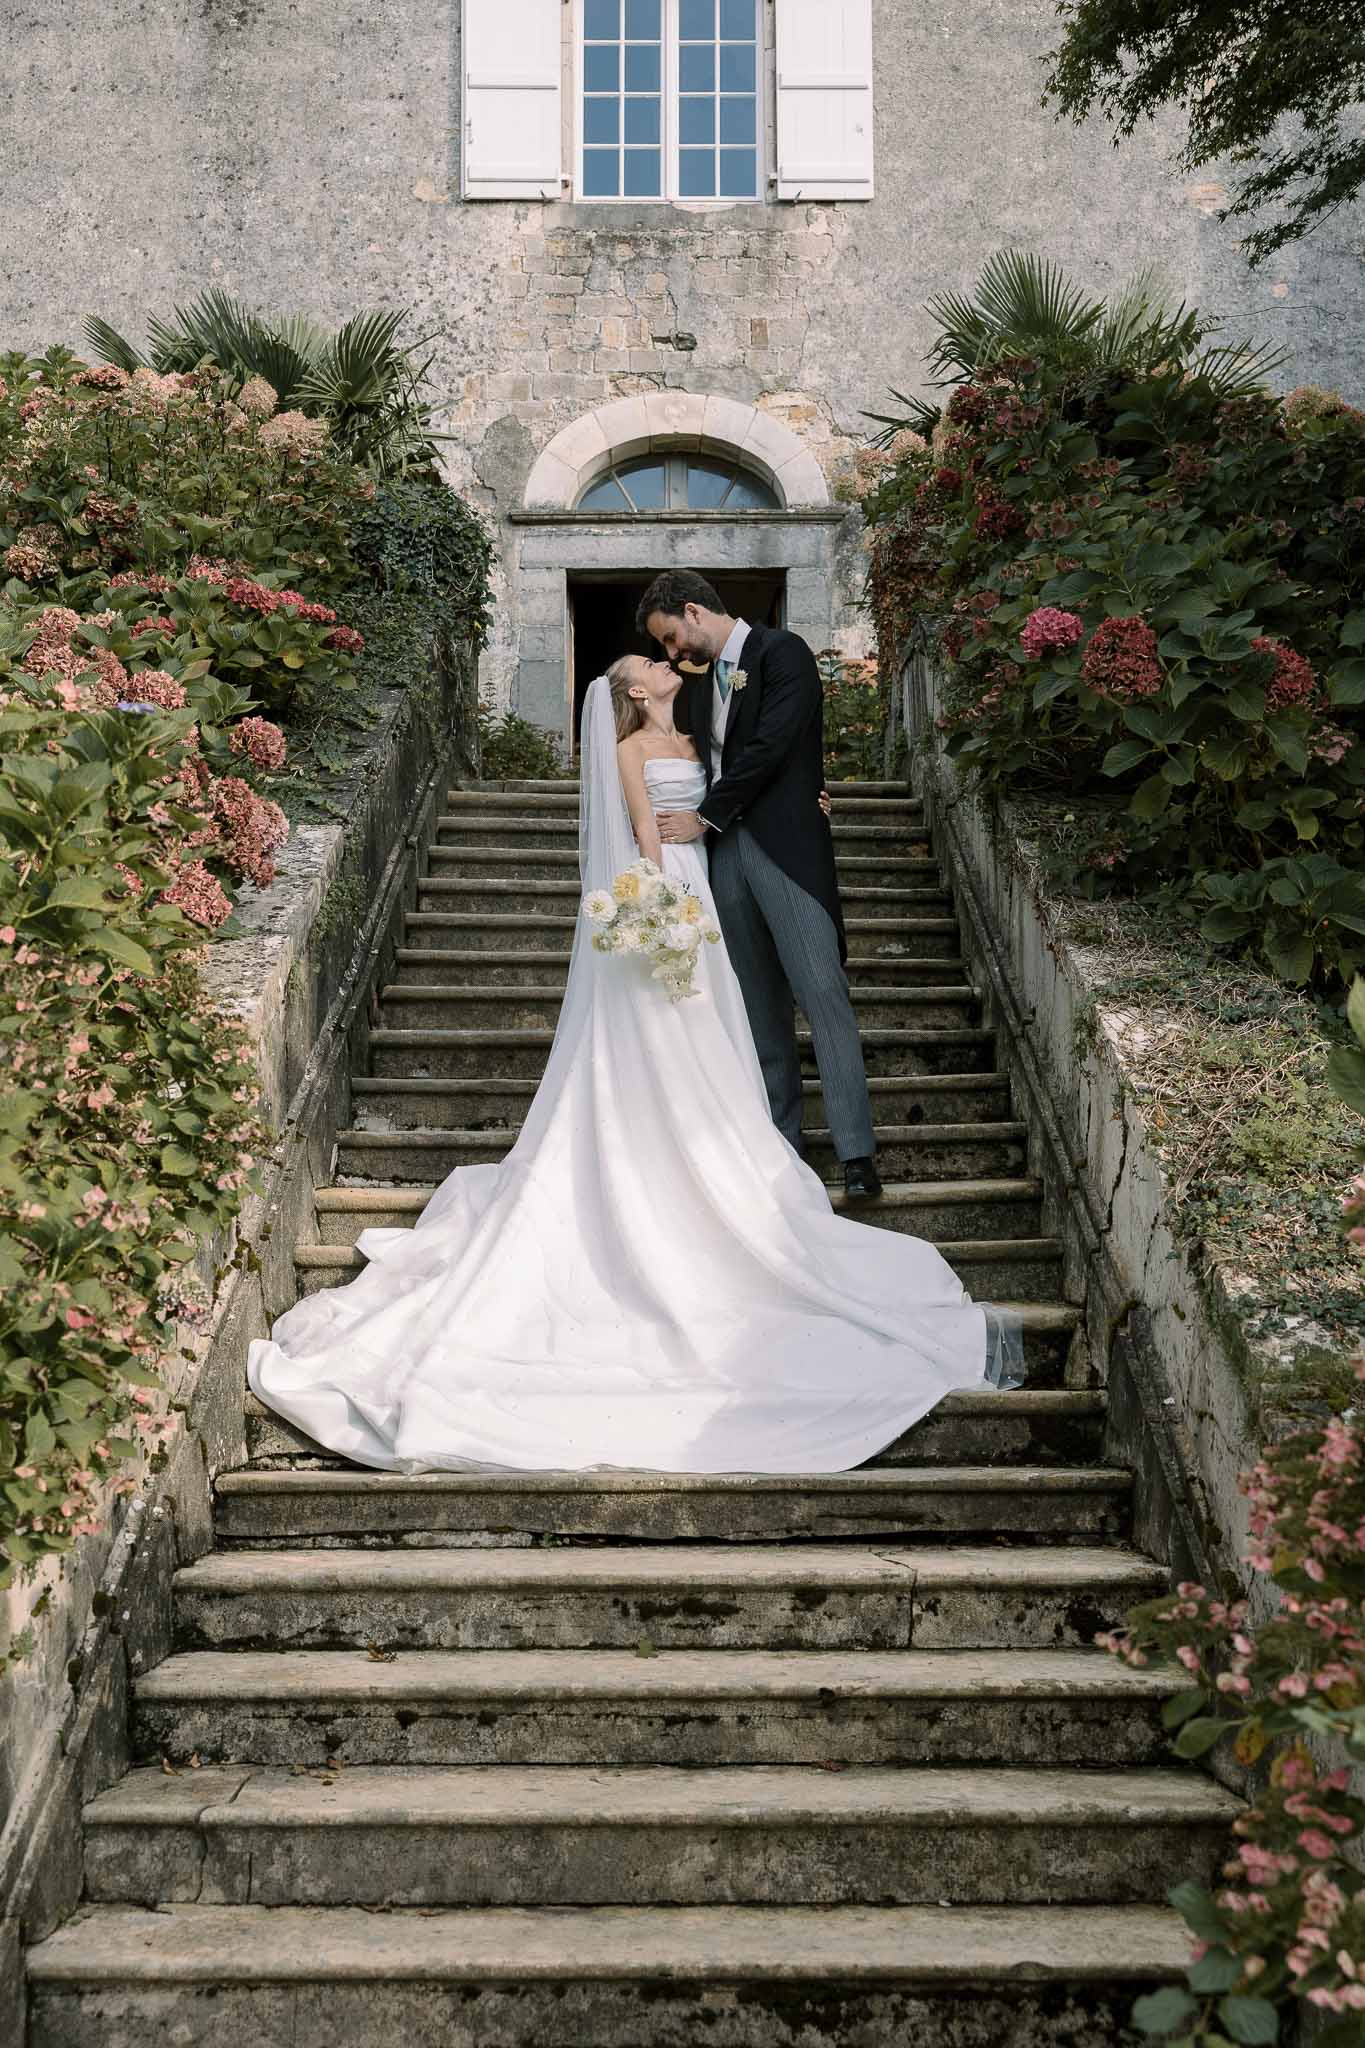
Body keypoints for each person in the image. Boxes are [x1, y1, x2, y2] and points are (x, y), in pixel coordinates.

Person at [244, 659, 1024, 1477]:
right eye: (645, 664)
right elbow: (643, 830)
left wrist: (802, 803)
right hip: (668, 898)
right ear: (635, 692)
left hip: (709, 891)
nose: (659, 663)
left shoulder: (698, 737)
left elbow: (746, 789)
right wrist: (660, 909)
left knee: (716, 1039)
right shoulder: (628, 748)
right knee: (661, 1037)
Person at [640, 570, 882, 1200]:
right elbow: (683, 753)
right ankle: (782, 1149)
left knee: (822, 994)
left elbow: (774, 745)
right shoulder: (694, 690)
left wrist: (709, 814)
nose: (673, 654)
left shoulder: (784, 653)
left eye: (671, 638)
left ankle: (856, 1154)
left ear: (694, 611)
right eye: (664, 649)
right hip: (724, 860)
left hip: (785, 848)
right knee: (757, 1011)